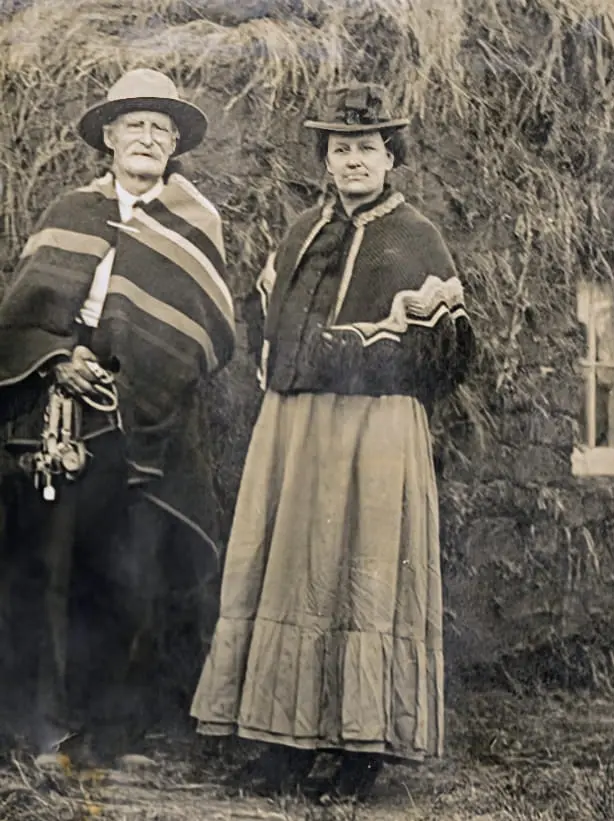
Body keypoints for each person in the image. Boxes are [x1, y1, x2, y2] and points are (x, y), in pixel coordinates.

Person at [190, 82, 474, 800]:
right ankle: (283, 743)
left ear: (390, 158)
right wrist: (294, 369)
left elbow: (448, 353)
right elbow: (266, 318)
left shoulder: (415, 238)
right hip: (295, 427)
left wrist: (352, 353)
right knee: (289, 569)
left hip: (373, 427)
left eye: (366, 149)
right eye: (340, 149)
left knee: (360, 574)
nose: (352, 161)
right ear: (325, 159)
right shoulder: (300, 231)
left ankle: (358, 753)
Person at [0, 68, 236, 762]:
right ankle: (34, 719)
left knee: (123, 573)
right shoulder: (68, 212)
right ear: (108, 137)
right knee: (41, 564)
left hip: (143, 420)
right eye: (134, 125)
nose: (147, 138)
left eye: (160, 129)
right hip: (52, 415)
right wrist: (53, 358)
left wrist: (132, 382)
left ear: (174, 146)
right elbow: (19, 318)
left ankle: (109, 725)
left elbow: (202, 334)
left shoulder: (194, 224)